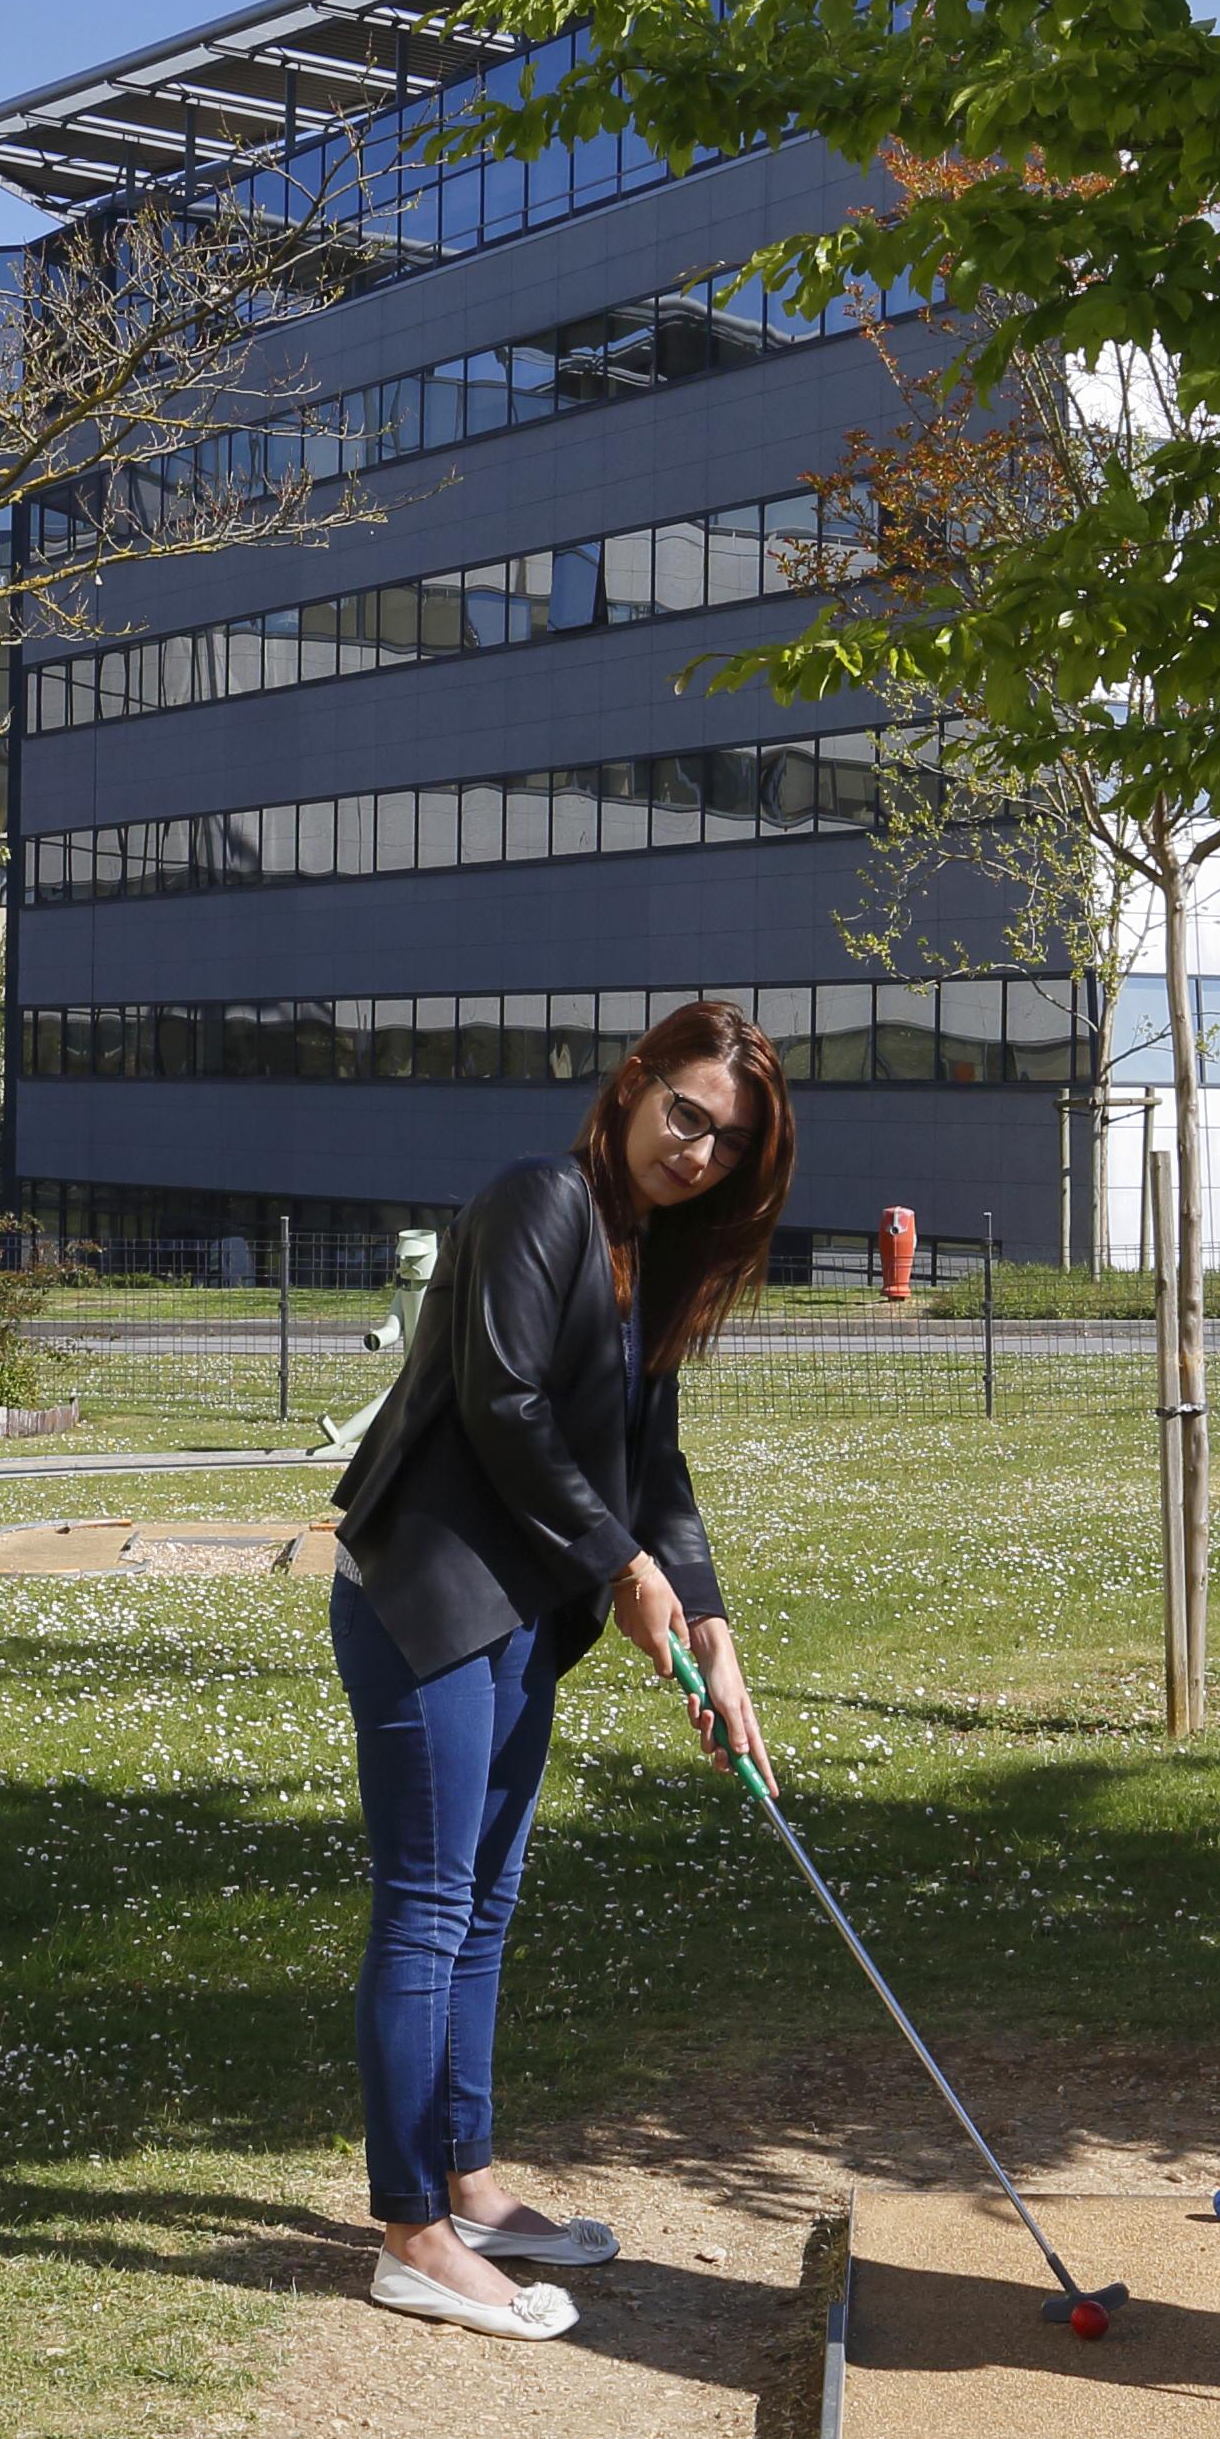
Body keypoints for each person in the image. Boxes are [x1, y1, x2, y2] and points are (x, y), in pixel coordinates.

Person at [318, 1001, 795, 2339]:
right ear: (635, 1086)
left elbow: (662, 1475)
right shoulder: (541, 1201)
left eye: (729, 1140)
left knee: (485, 1897)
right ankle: (412, 2231)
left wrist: (707, 1620)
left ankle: (466, 2184)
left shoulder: (649, 1255)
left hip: (521, 1608)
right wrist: (620, 1569)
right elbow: (505, 1404)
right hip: (427, 1592)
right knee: (426, 1902)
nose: (700, 1149)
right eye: (687, 1114)